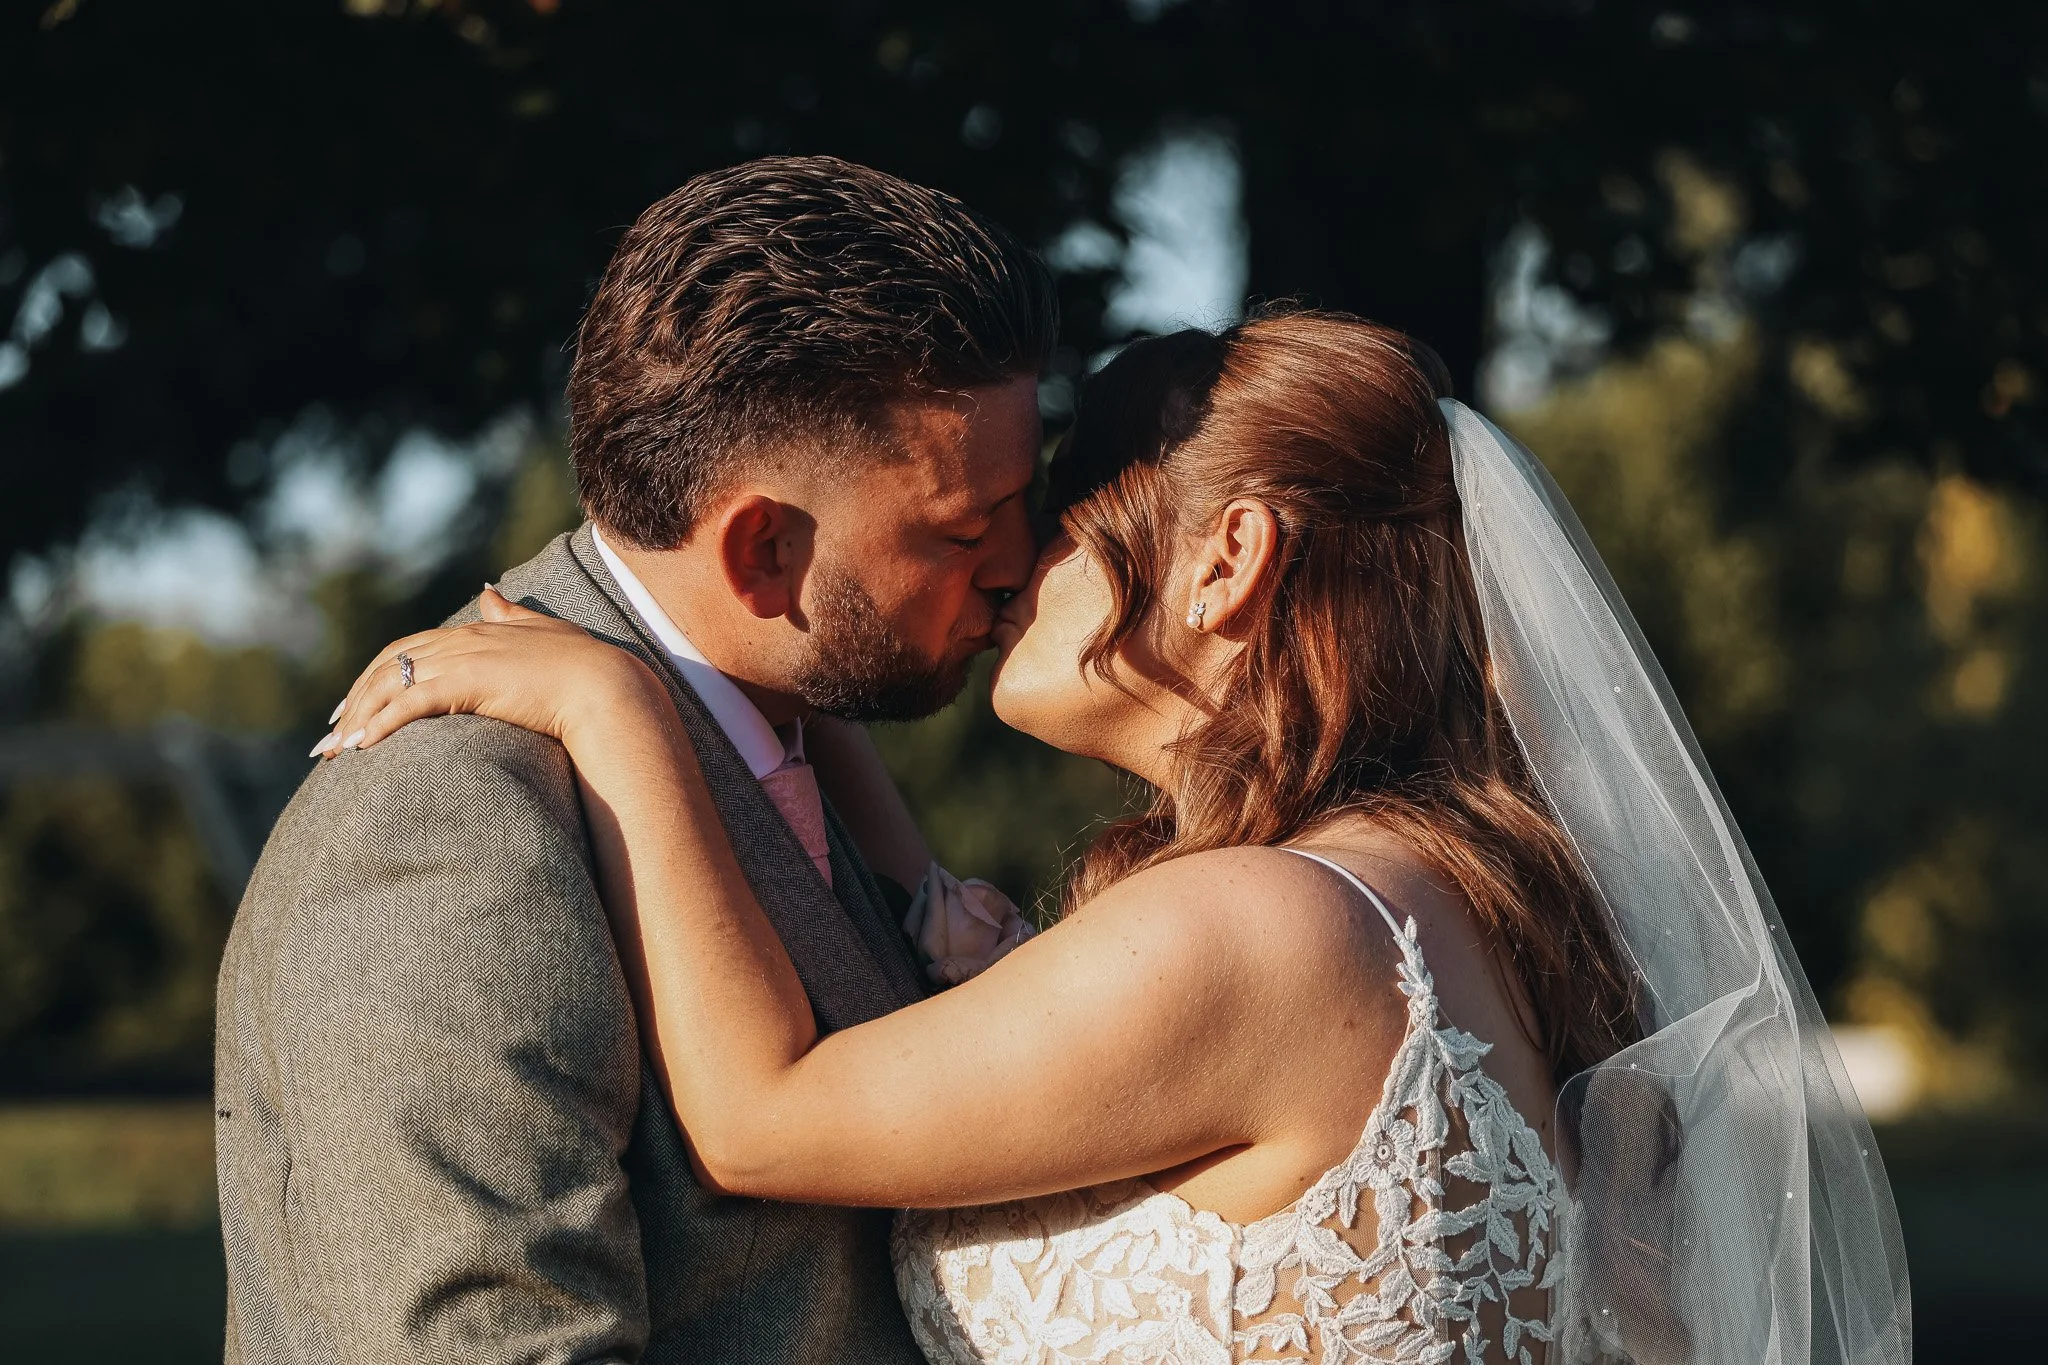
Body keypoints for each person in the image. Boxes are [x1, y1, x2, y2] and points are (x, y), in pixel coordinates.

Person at [325, 313, 1913, 1365]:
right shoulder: (1445, 898)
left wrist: (617, 713)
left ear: (1225, 560)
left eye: (1067, 516)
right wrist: (751, 647)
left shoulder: (1261, 933)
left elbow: (762, 1118)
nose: (1009, 566)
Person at [213, 156, 1055, 1364]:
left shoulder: (785, 727)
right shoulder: (451, 828)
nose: (1015, 564)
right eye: (965, 526)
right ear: (761, 551)